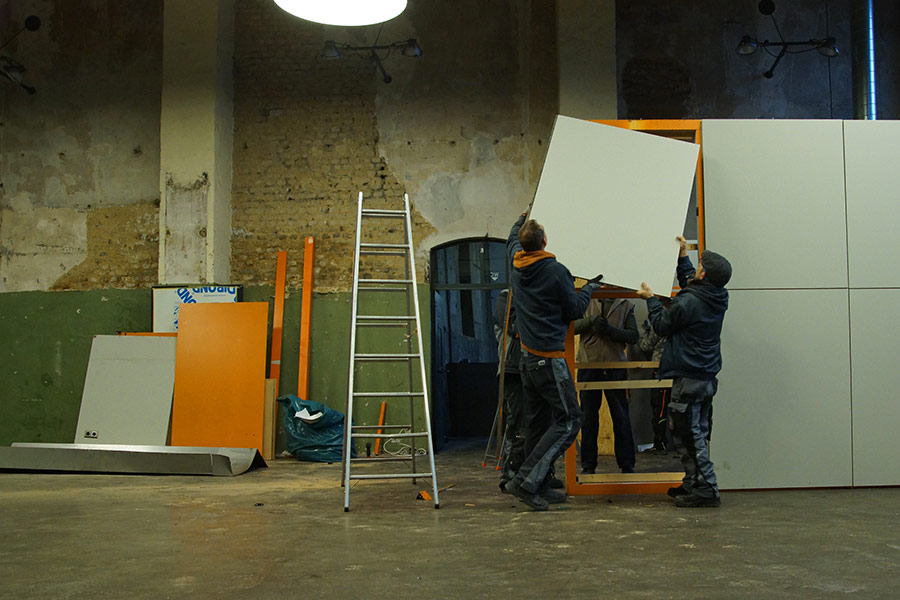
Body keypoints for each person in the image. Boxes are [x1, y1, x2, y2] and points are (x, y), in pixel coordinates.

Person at [503, 213, 602, 511]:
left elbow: (510, 241)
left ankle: (540, 482)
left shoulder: (516, 263)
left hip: (527, 360)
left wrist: (518, 220)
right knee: (571, 419)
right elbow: (573, 310)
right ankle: (526, 481)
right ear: (544, 241)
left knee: (538, 423)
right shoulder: (555, 271)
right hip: (549, 361)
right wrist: (588, 289)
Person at [637, 236, 731, 508]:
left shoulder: (691, 302)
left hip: (689, 377)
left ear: (705, 274)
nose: (697, 269)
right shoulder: (715, 296)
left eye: (699, 265)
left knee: (689, 435)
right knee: (695, 432)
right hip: (704, 375)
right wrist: (682, 257)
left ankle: (708, 488)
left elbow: (662, 324)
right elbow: (692, 281)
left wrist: (651, 300)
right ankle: (694, 483)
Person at [574, 297, 639, 474]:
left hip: (615, 366)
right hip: (589, 365)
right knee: (588, 417)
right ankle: (588, 464)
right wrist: (589, 321)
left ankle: (627, 463)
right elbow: (570, 327)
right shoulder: (585, 301)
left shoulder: (625, 304)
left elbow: (634, 336)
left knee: (621, 416)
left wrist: (611, 331)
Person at [638, 316, 670, 453]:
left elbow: (646, 345)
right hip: (678, 368)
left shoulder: (661, 321)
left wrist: (644, 331)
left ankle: (660, 443)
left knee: (659, 408)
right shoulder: (682, 315)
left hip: (660, 369)